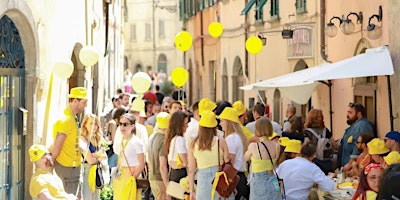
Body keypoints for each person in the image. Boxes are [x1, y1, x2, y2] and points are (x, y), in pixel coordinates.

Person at [51, 87, 88, 196]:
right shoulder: (66, 119)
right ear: (75, 101)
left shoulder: (71, 117)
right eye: (84, 102)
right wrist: (51, 161)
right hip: (67, 167)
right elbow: (58, 143)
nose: (85, 105)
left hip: (71, 166)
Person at [188, 110, 231, 200]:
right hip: (219, 181)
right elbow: (227, 161)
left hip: (202, 182)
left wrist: (191, 190)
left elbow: (191, 170)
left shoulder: (193, 144)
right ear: (214, 126)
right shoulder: (221, 141)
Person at [244, 117, 281, 199]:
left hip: (258, 181)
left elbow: (245, 158)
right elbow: (274, 163)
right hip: (273, 179)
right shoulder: (276, 146)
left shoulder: (253, 146)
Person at [112, 113, 145, 200]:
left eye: (125, 124)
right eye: (120, 124)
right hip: (120, 175)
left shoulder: (136, 141)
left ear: (132, 126)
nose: (122, 127)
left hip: (131, 175)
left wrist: (132, 178)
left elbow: (142, 164)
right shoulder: (121, 140)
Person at [219, 107, 249, 200]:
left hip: (234, 178)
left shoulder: (231, 138)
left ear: (228, 122)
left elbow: (230, 162)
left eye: (222, 121)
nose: (220, 124)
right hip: (239, 177)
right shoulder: (237, 137)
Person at [79, 114, 108, 200]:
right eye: (91, 123)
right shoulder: (82, 139)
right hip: (86, 172)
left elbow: (104, 156)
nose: (94, 126)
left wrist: (95, 156)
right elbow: (90, 160)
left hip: (96, 172)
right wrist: (98, 157)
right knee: (87, 197)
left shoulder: (97, 139)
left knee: (96, 197)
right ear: (85, 125)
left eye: (96, 124)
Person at [339, 103, 373, 168]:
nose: (347, 115)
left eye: (350, 113)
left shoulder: (363, 126)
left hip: (354, 166)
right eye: (347, 112)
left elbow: (358, 146)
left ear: (359, 114)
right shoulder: (356, 125)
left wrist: (350, 164)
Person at [303, 109, 338, 174]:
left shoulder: (307, 132)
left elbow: (306, 146)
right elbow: (335, 145)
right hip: (327, 162)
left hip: (314, 161)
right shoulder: (326, 131)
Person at [165, 111, 189, 199]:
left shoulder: (173, 139)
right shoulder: (179, 139)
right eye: (185, 123)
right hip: (180, 174)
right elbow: (185, 162)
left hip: (174, 174)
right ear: (180, 125)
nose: (187, 125)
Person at [147, 112, 170, 200]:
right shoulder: (163, 141)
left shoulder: (152, 137)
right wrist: (167, 185)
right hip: (161, 179)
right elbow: (163, 166)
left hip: (152, 177)